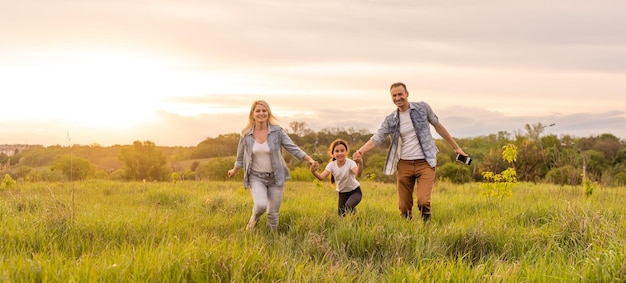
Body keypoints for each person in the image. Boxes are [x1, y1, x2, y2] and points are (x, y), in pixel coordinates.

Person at [353, 82, 468, 222]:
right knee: (404, 207)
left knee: (423, 202)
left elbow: (438, 126)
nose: (397, 98)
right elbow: (377, 138)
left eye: (400, 94)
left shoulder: (422, 108)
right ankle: (408, 232)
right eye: (394, 95)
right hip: (404, 164)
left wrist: (456, 147)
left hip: (425, 162)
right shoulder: (391, 120)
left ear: (407, 94)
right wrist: (361, 151)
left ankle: (427, 230)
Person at [227, 100, 317, 231]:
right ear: (252, 114)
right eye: (258, 111)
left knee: (273, 214)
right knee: (261, 205)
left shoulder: (277, 131)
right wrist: (235, 169)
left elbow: (292, 148)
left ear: (268, 113)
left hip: (276, 177)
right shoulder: (246, 134)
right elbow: (241, 155)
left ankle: (271, 241)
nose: (261, 113)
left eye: (264, 110)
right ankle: (254, 219)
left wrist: (309, 159)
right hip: (256, 177)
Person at [310, 139, 363, 216]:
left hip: (355, 192)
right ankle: (354, 219)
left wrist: (360, 164)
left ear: (346, 152)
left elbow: (358, 174)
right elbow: (321, 177)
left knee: (349, 205)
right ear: (333, 154)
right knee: (341, 216)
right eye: (337, 151)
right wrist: (313, 172)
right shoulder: (331, 165)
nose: (340, 153)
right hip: (342, 194)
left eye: (342, 150)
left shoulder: (350, 163)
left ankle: (357, 219)